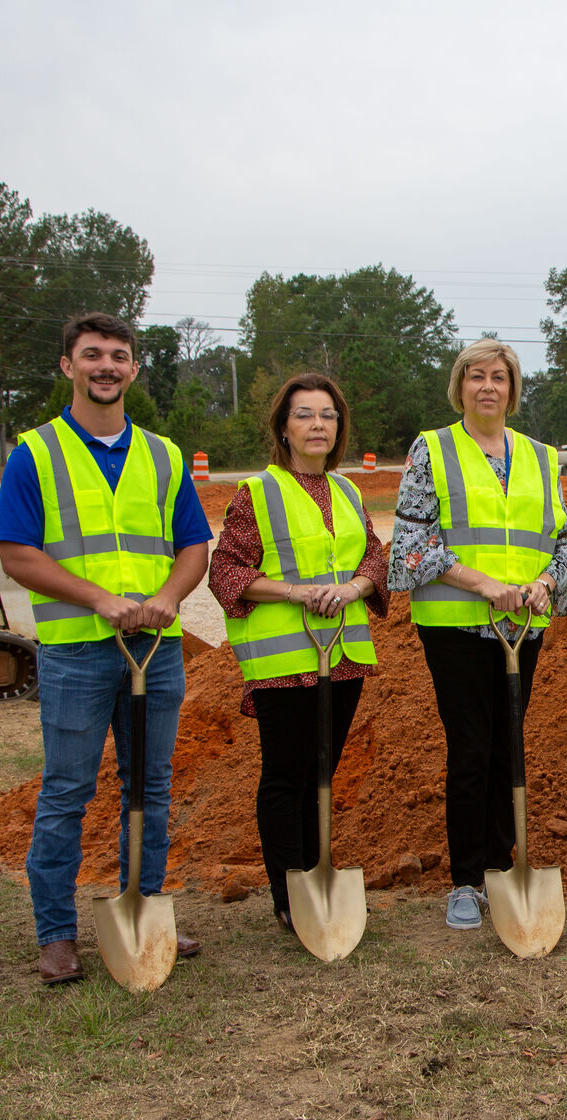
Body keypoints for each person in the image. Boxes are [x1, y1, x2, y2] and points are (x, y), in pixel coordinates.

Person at [0, 312, 213, 984]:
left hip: (156, 646)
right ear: (68, 365)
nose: (106, 367)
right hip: (78, 651)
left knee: (149, 784)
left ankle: (144, 905)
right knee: (67, 790)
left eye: (118, 356)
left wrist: (172, 597)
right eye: (92, 355)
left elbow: (192, 547)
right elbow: (16, 553)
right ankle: (56, 935)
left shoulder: (164, 454)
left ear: (134, 369)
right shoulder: (36, 452)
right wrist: (98, 600)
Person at [386, 339, 567, 930]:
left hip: (523, 625)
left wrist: (548, 580)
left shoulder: (543, 458)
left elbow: (564, 540)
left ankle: (502, 865)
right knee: (472, 750)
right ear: (460, 386)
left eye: (499, 377)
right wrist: (484, 585)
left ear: (513, 389)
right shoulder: (433, 450)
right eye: (476, 377)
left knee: (508, 747)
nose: (488, 386)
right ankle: (467, 881)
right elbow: (411, 546)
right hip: (457, 626)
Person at [210, 373, 390, 934]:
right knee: (286, 777)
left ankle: (320, 876)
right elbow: (226, 571)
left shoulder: (348, 492)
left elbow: (375, 558)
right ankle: (289, 895)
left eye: (328, 416)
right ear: (283, 429)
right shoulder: (258, 492)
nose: (319, 425)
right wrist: (297, 594)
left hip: (343, 654)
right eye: (305, 415)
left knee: (324, 774)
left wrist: (354, 590)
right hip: (284, 660)